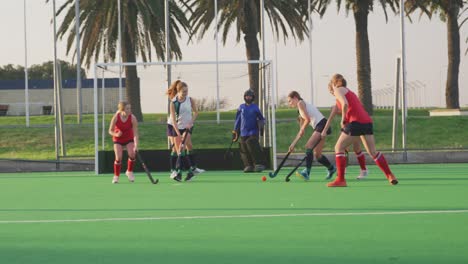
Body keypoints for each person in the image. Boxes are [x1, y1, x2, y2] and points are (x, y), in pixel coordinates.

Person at [322, 74, 398, 187]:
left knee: (338, 148)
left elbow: (345, 105)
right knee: (373, 152)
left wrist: (342, 119)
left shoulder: (338, 90)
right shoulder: (350, 92)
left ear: (333, 84)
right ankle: (390, 175)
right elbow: (349, 107)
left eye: (331, 91)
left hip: (355, 123)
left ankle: (341, 180)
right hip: (366, 122)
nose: (333, 93)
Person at [286, 91, 336, 180]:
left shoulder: (300, 103)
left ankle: (306, 172)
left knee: (309, 146)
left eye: (290, 101)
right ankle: (331, 168)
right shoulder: (300, 109)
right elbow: (301, 131)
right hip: (321, 126)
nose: (289, 103)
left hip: (321, 125)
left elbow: (307, 120)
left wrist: (302, 128)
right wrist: (293, 144)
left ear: (295, 98)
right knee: (318, 155)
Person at [166, 80, 204, 182]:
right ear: (178, 91)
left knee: (186, 146)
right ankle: (179, 171)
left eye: (186, 91)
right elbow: (173, 120)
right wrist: (178, 133)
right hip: (175, 126)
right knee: (179, 149)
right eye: (183, 92)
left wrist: (190, 122)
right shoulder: (173, 103)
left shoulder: (190, 100)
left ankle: (188, 170)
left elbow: (196, 112)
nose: (185, 93)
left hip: (188, 126)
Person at [233, 89, 266, 172]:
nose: (248, 97)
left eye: (250, 96)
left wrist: (261, 125)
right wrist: (235, 131)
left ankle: (259, 164)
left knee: (251, 143)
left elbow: (261, 118)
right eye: (247, 96)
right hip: (243, 131)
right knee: (244, 147)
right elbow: (238, 119)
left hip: (253, 131)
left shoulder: (255, 107)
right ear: (244, 97)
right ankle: (249, 165)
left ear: (253, 97)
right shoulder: (241, 107)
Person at [108, 101, 138, 184]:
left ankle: (129, 171)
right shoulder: (116, 117)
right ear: (122, 110)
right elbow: (110, 131)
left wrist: (136, 144)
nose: (129, 110)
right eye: (127, 109)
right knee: (118, 158)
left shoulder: (132, 118)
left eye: (130, 108)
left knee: (132, 154)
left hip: (129, 138)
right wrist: (116, 134)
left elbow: (135, 133)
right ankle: (116, 176)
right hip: (118, 139)